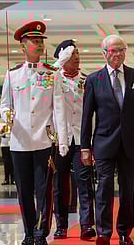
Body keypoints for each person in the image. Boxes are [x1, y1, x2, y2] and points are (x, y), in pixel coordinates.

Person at [0, 20, 68, 245]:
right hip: (19, 142)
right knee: (24, 191)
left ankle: (41, 233)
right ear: (23, 45)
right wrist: (6, 116)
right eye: (34, 41)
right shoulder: (12, 75)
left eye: (41, 41)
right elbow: (5, 104)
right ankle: (29, 232)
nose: (39, 45)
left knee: (43, 190)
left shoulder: (52, 74)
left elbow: (58, 108)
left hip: (43, 141)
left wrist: (63, 139)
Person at [80, 34, 134, 245]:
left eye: (121, 49)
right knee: (103, 188)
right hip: (103, 143)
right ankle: (103, 232)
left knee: (128, 190)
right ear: (104, 54)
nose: (118, 54)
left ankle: (124, 232)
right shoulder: (94, 80)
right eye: (113, 50)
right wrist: (85, 147)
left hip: (131, 144)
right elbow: (87, 116)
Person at [51, 39, 96, 240]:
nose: (78, 58)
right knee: (60, 184)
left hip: (81, 140)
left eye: (78, 54)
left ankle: (86, 224)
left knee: (84, 182)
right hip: (59, 139)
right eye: (73, 54)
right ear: (64, 58)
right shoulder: (52, 80)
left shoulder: (87, 80)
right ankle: (61, 225)